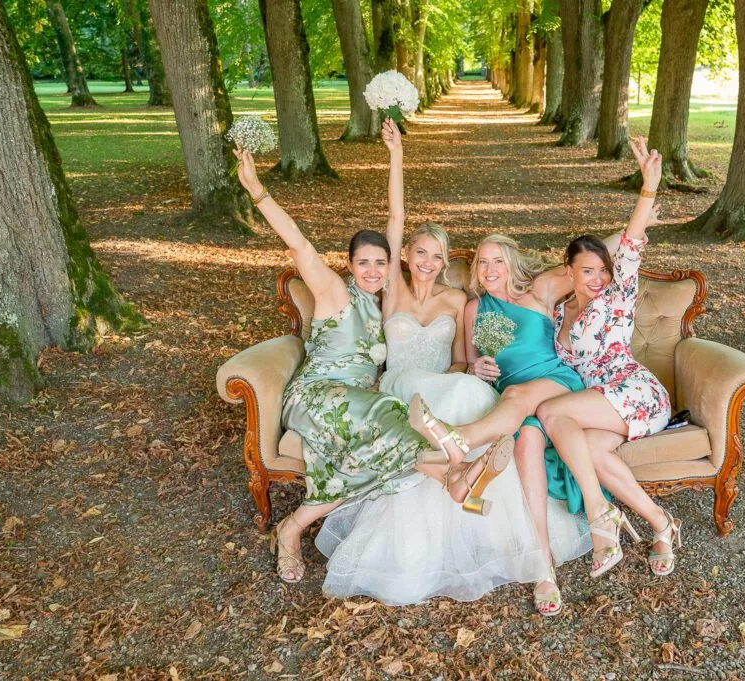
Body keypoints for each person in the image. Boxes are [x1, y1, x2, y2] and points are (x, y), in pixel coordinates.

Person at [314, 120, 588, 604]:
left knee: (464, 390)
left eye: (437, 255)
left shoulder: (461, 300)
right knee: (433, 399)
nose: (427, 261)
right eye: (420, 252)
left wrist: (477, 368)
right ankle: (460, 468)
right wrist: (395, 155)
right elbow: (394, 218)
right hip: (403, 387)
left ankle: (465, 469)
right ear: (407, 256)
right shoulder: (393, 289)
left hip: (445, 386)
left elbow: (465, 360)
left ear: (445, 263)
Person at [232, 143, 512, 584]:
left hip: (358, 402)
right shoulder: (333, 292)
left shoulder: (384, 301)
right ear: (349, 264)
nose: (372, 270)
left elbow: (397, 225)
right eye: (363, 262)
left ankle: (292, 528)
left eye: (380, 263)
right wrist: (257, 189)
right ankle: (454, 471)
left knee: (384, 445)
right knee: (396, 413)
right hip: (317, 395)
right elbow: (299, 244)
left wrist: (398, 153)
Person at [406, 232, 593, 615]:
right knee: (524, 441)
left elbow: (592, 257)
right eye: (482, 262)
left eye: (498, 261)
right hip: (514, 404)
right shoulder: (475, 309)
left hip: (554, 385)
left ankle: (461, 440)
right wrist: (477, 368)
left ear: (513, 263)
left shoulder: (539, 290)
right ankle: (543, 566)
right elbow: (468, 363)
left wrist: (646, 197)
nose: (489, 270)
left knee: (514, 399)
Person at [537, 136, 681, 577]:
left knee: (551, 411)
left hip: (635, 392)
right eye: (587, 270)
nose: (598, 277)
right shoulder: (558, 310)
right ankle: (661, 523)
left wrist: (648, 189)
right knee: (591, 453)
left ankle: (601, 517)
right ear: (569, 272)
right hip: (601, 402)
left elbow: (633, 241)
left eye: (603, 268)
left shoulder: (617, 296)